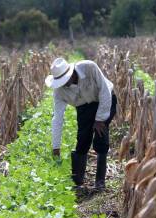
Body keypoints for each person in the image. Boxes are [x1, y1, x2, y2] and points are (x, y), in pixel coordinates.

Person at [45, 57, 117, 190]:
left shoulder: (89, 68)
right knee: (83, 139)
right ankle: (77, 180)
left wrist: (100, 119)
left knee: (101, 136)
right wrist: (56, 147)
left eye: (65, 80)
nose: (64, 85)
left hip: (105, 99)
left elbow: (104, 90)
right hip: (83, 107)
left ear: (71, 73)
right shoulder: (59, 92)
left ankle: (100, 182)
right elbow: (58, 118)